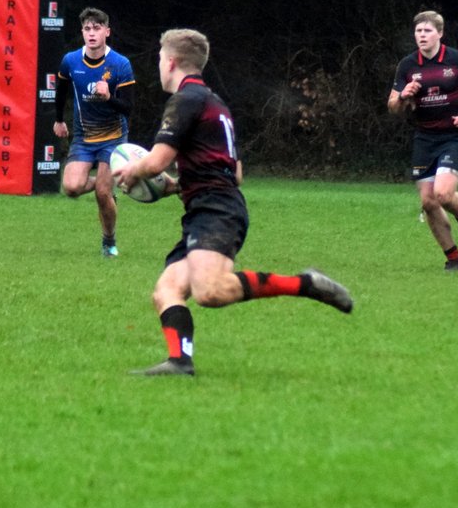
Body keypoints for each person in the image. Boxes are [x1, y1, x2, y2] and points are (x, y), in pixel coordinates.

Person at [117, 28, 353, 377]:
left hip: (217, 209)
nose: (159, 66)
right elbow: (234, 171)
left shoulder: (185, 100)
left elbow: (156, 162)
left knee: (210, 291)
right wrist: (174, 187)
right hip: (208, 205)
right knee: (168, 288)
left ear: (172, 62)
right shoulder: (216, 103)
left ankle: (305, 283)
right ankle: (179, 362)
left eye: (160, 59)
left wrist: (132, 171)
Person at [388, 10, 458, 271]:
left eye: (427, 31)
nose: (422, 35)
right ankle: (453, 260)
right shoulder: (407, 66)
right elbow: (392, 106)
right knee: (428, 202)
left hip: (453, 137)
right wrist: (403, 95)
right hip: (424, 138)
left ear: (440, 33)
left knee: (443, 194)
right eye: (418, 31)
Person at [54, 7, 135, 256]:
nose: (91, 33)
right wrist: (59, 120)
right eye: (87, 29)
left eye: (97, 28)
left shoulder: (120, 64)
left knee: (102, 193)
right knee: (71, 188)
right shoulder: (70, 61)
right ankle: (107, 187)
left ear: (107, 32)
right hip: (84, 137)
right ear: (82, 32)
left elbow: (128, 108)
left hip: (113, 137)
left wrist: (109, 97)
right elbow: (61, 91)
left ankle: (109, 242)